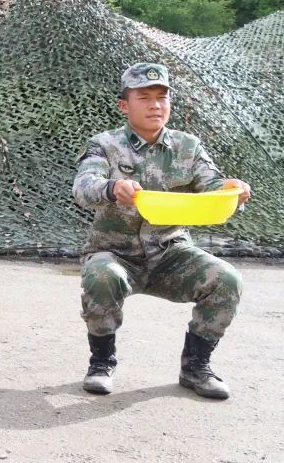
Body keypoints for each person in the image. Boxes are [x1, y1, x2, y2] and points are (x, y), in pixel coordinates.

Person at [73, 62, 251, 399]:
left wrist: (233, 190)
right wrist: (112, 188)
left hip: (172, 253)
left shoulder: (188, 147)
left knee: (226, 279)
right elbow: (83, 187)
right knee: (101, 275)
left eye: (162, 97)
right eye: (144, 98)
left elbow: (214, 187)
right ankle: (101, 363)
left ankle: (196, 367)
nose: (155, 105)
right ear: (125, 105)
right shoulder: (105, 145)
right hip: (116, 253)